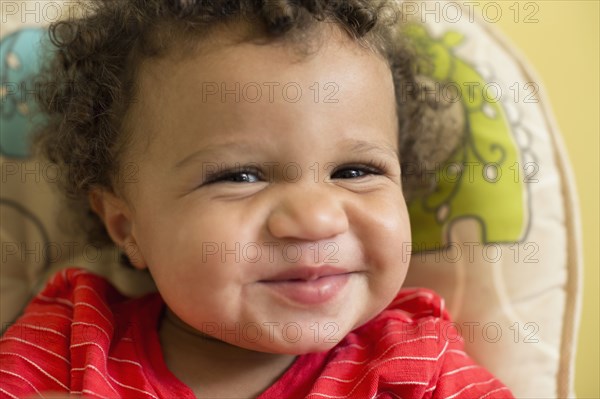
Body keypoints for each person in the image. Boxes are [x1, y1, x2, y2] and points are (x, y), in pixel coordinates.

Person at [0, 0, 513, 398]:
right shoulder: (72, 346)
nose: (315, 218)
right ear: (124, 226)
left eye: (355, 171)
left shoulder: (418, 367)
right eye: (240, 176)